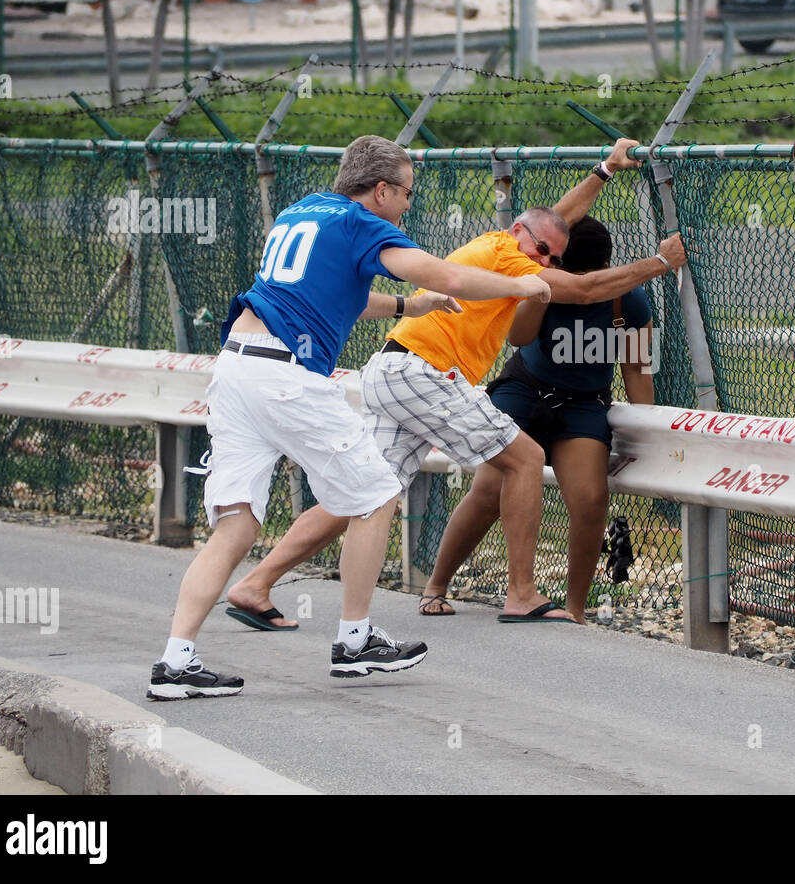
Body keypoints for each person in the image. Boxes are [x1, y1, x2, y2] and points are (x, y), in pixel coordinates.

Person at [146, 134, 551, 700]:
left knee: (236, 524)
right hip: (286, 376)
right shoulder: (364, 224)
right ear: (381, 189)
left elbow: (340, 297)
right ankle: (355, 641)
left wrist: (410, 307)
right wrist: (522, 283)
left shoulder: (302, 210)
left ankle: (176, 661)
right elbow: (449, 277)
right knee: (378, 492)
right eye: (406, 192)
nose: (408, 203)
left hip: (236, 368)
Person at [225, 138, 686, 626]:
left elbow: (554, 223)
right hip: (421, 372)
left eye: (553, 258)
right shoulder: (511, 257)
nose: (546, 265)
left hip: (392, 370)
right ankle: (522, 594)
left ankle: (255, 583)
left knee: (361, 493)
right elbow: (587, 285)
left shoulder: (505, 244)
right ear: (519, 234)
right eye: (544, 254)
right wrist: (661, 264)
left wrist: (606, 170)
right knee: (525, 458)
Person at [421, 216, 654, 624]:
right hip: (526, 390)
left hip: (583, 402)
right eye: (564, 269)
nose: (578, 280)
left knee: (590, 499)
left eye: (587, 273)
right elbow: (519, 338)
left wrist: (647, 431)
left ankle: (575, 608)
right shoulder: (542, 285)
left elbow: (636, 368)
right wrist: (539, 291)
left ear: (604, 268)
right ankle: (436, 585)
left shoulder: (626, 301)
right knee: (490, 487)